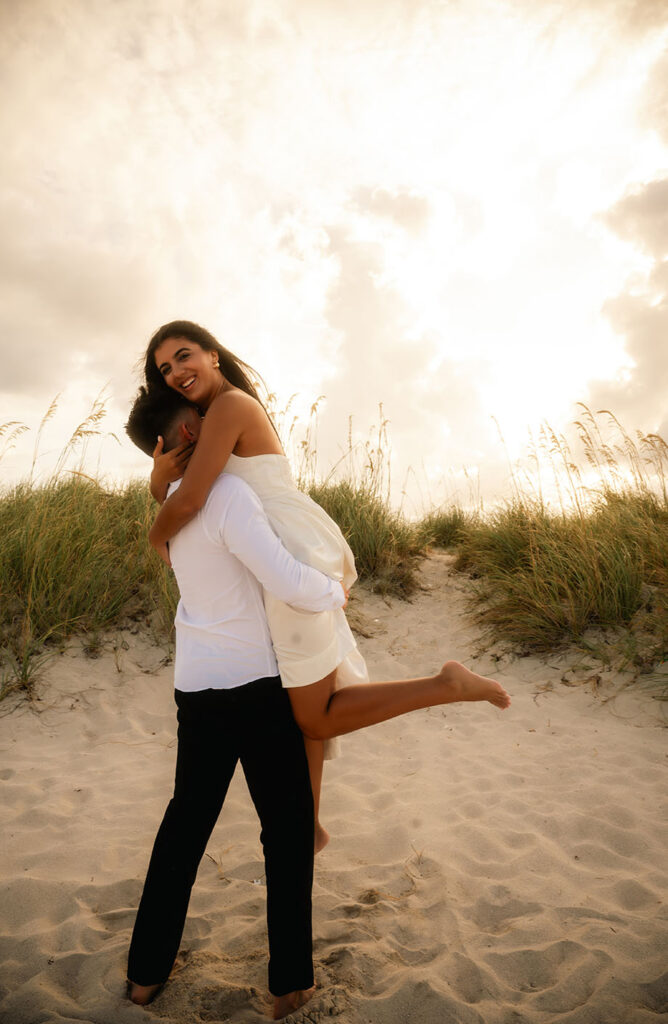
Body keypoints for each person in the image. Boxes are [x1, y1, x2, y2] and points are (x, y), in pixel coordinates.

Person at [140, 321, 511, 848]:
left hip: (289, 551)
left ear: (213, 355)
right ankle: (307, 823)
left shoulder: (230, 407)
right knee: (301, 697)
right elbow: (195, 502)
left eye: (183, 356)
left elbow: (192, 501)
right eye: (164, 369)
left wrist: (158, 534)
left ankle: (444, 685)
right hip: (275, 552)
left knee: (313, 716)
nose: (176, 372)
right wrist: (161, 483)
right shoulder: (206, 420)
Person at [124, 386, 349, 1020]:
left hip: (196, 688)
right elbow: (283, 576)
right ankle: (288, 986)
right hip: (256, 686)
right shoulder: (227, 495)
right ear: (191, 435)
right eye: (205, 423)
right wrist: (332, 590)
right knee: (285, 833)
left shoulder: (172, 503)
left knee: (183, 830)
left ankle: (143, 977)